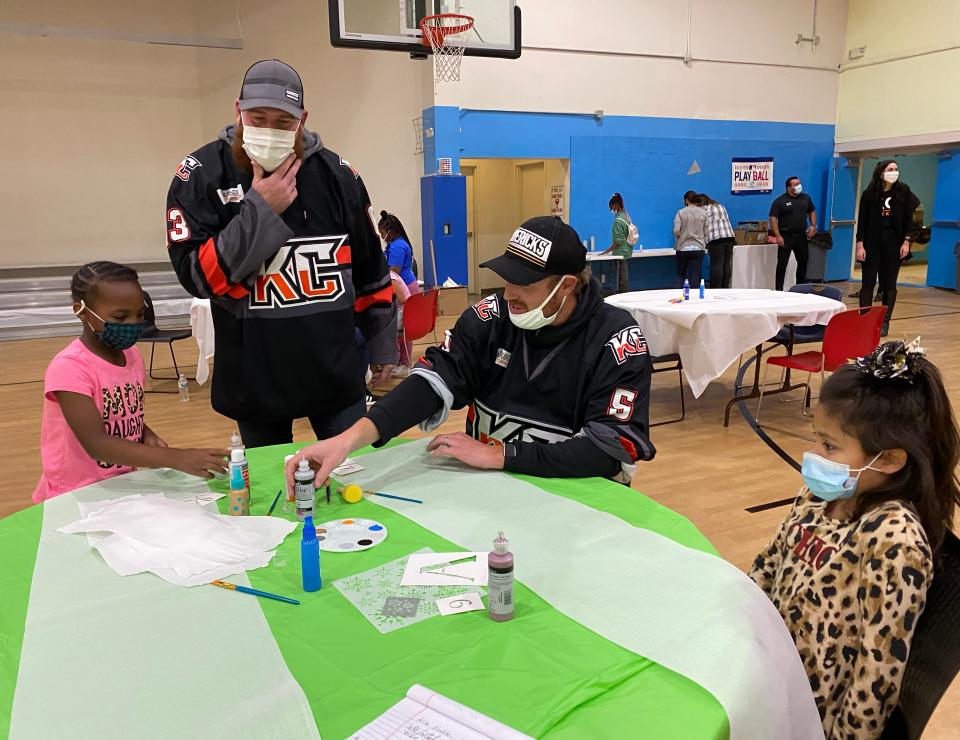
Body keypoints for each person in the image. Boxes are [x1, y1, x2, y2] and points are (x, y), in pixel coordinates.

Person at [287, 216, 655, 489]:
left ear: (566, 286)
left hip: (577, 502)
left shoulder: (617, 340)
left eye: (522, 283)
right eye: (507, 277)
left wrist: (501, 455)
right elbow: (430, 382)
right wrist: (347, 441)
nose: (508, 293)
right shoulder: (490, 317)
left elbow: (609, 449)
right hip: (491, 490)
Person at [165, 59, 397, 448]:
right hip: (254, 378)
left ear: (303, 119)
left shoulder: (337, 175)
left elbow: (370, 267)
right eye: (258, 117)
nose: (269, 130)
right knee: (270, 492)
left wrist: (381, 342)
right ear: (238, 111)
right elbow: (196, 276)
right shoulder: (202, 174)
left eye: (283, 122)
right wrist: (259, 211)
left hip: (334, 372)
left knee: (351, 479)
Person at [748, 340, 959, 739]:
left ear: (891, 460)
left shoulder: (894, 542)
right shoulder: (818, 497)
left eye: (829, 445)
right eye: (816, 437)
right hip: (768, 680)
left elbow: (876, 679)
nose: (813, 454)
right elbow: (766, 567)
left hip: (810, 720)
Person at [33, 262, 228, 503]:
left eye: (139, 314)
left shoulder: (132, 355)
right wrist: (177, 458)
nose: (132, 324)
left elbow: (119, 411)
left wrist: (145, 432)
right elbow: (97, 444)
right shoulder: (70, 367)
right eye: (120, 316)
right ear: (82, 312)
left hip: (120, 483)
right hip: (75, 493)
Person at [855, 160, 919, 335]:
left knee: (889, 284)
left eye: (896, 169)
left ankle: (884, 322)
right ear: (881, 172)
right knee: (868, 283)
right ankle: (865, 320)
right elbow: (862, 221)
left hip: (893, 242)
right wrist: (860, 245)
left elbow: (908, 220)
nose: (894, 172)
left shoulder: (903, 191)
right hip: (872, 242)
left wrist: (906, 242)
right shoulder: (869, 194)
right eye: (890, 169)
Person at [379, 210, 420, 375]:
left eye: (383, 233)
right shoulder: (393, 244)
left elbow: (393, 272)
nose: (382, 237)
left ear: (391, 231)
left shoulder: (398, 246)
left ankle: (404, 362)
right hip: (400, 286)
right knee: (399, 328)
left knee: (403, 329)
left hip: (403, 288)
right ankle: (399, 360)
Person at [769, 176, 817, 290]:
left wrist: (813, 225)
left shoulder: (806, 198)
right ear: (789, 188)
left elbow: (812, 210)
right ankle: (779, 290)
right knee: (782, 264)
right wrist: (778, 236)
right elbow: (772, 218)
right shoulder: (780, 201)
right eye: (795, 184)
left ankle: (800, 288)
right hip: (786, 236)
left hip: (801, 236)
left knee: (803, 261)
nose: (799, 186)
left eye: (799, 183)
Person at [700, 193, 736, 289]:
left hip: (716, 238)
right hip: (729, 237)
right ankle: (725, 288)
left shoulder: (704, 209)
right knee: (726, 265)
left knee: (717, 266)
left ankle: (716, 289)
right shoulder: (721, 206)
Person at [599, 193, 633, 293]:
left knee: (621, 279)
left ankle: (622, 296)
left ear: (615, 205)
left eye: (611, 208)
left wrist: (605, 252)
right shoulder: (626, 216)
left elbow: (617, 242)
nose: (611, 210)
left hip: (620, 254)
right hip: (626, 252)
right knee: (623, 276)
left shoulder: (618, 221)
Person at [673, 191, 707, 287]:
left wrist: (681, 236)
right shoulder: (703, 213)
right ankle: (694, 299)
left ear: (686, 201)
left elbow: (676, 231)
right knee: (695, 276)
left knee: (680, 274)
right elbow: (707, 231)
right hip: (699, 247)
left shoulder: (681, 212)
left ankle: (679, 296)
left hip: (683, 247)